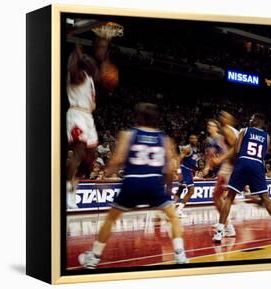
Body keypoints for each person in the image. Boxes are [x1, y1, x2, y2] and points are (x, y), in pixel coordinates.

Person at [78, 103, 188, 269]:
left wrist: (105, 176)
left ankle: (93, 258)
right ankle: (180, 256)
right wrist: (166, 190)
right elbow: (169, 169)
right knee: (173, 218)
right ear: (157, 118)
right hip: (154, 183)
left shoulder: (129, 134)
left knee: (111, 219)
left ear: (138, 117)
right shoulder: (164, 139)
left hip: (132, 182)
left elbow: (117, 160)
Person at [212, 113, 271, 243]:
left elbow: (237, 150)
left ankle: (219, 232)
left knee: (229, 198)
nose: (249, 120)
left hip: (243, 162)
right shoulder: (266, 136)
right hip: (257, 164)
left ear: (256, 121)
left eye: (251, 119)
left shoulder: (244, 131)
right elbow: (264, 153)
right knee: (265, 197)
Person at [66, 44, 99, 209]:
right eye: (87, 60)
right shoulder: (76, 74)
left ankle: (74, 189)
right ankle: (66, 188)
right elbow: (73, 66)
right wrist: (77, 52)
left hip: (88, 116)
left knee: (89, 158)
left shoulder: (90, 78)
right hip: (76, 114)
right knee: (78, 153)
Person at [208, 111, 240, 237]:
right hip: (232, 166)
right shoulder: (232, 130)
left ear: (229, 119)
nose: (221, 117)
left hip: (230, 166)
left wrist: (220, 159)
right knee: (221, 196)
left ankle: (228, 226)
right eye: (220, 115)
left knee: (217, 195)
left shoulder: (227, 130)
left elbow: (234, 148)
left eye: (224, 116)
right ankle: (226, 225)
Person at [174, 134, 200, 218]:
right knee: (191, 190)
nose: (193, 140)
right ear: (189, 140)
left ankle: (172, 210)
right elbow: (179, 159)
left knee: (179, 190)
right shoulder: (187, 148)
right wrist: (179, 172)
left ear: (197, 139)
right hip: (185, 170)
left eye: (194, 138)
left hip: (188, 170)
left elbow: (192, 161)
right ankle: (179, 210)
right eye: (191, 138)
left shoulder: (196, 150)